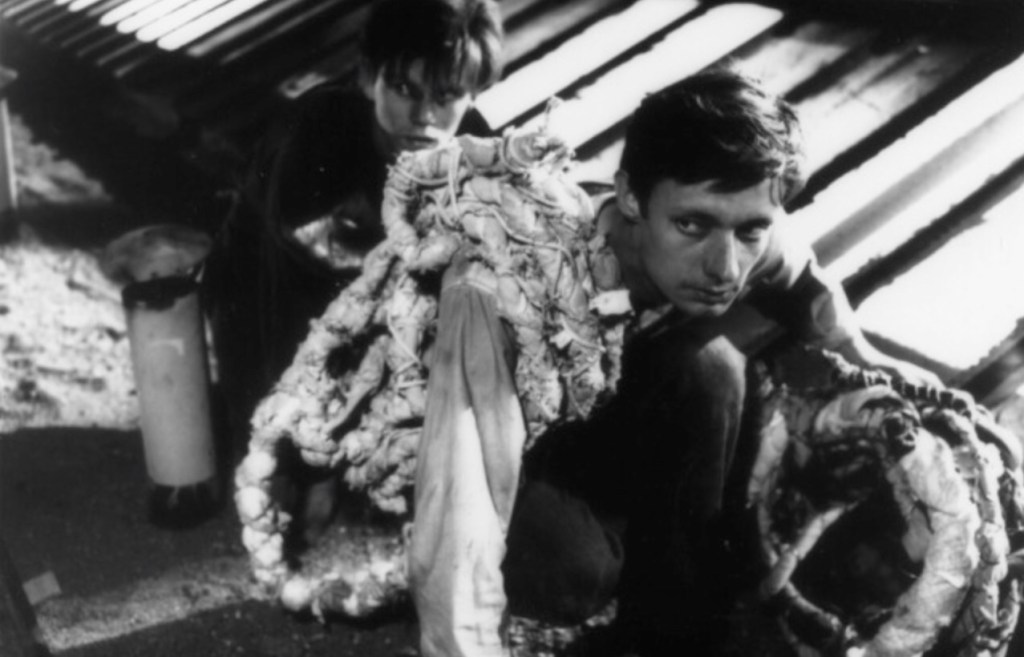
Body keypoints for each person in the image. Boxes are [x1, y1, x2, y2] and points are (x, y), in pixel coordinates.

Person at [408, 67, 943, 657]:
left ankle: (675, 622)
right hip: (466, 427)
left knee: (715, 371)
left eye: (750, 231)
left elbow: (804, 282)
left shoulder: (743, 231)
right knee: (573, 571)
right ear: (631, 197)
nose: (725, 268)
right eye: (692, 224)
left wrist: (867, 357)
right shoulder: (513, 276)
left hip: (589, 403)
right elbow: (455, 491)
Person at [203, 0, 503, 453]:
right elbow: (305, 271)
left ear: (474, 93)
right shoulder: (315, 133)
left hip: (373, 305)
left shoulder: (476, 148)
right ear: (367, 78)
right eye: (404, 88)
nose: (424, 116)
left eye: (445, 97)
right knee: (276, 438)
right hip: (264, 288)